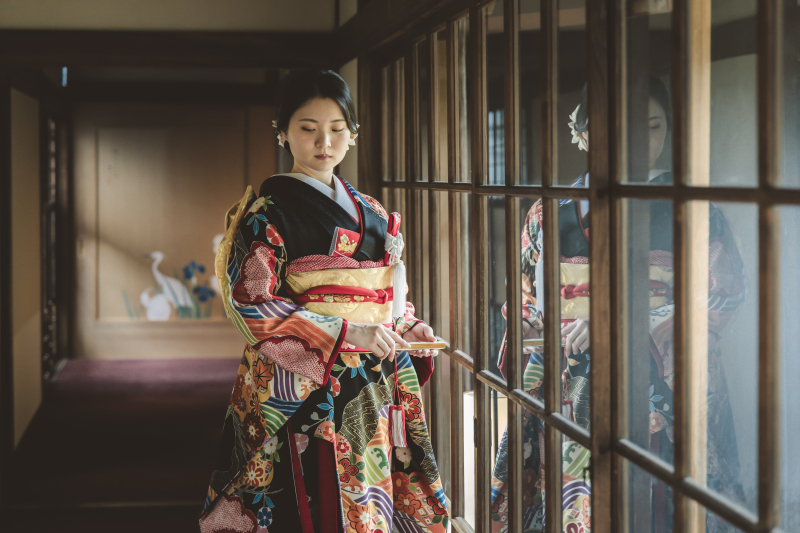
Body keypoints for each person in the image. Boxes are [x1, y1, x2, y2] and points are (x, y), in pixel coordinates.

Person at [489, 75, 746, 532]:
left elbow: (723, 294)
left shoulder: (693, 207)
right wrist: (559, 339)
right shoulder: (550, 211)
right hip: (573, 381)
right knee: (581, 502)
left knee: (663, 504)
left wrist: (623, 324)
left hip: (664, 379)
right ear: (586, 131)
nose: (639, 141)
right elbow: (527, 306)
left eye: (653, 126)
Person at [200, 70, 449, 533]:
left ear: (352, 134)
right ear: (283, 132)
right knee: (315, 504)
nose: (324, 142)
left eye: (336, 129)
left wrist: (409, 327)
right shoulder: (266, 216)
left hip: (370, 378)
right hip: (303, 384)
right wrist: (344, 331)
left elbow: (388, 297)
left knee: (373, 501)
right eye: (307, 129)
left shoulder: (372, 212)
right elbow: (254, 306)